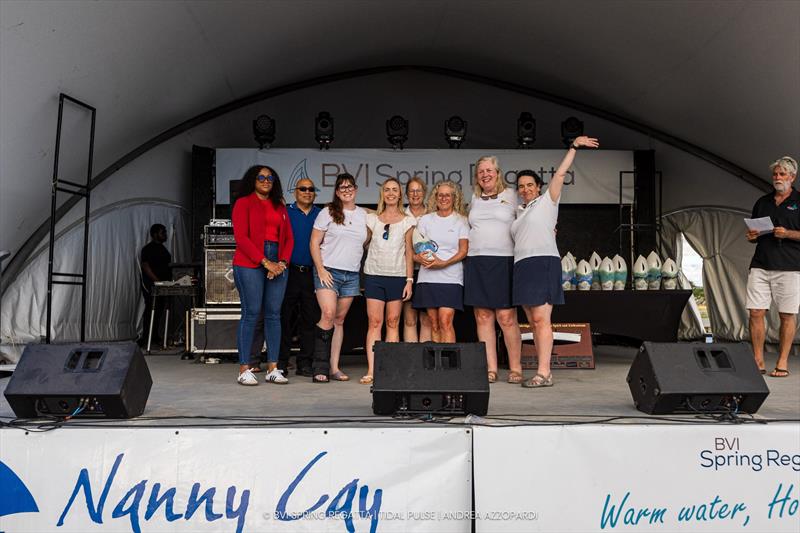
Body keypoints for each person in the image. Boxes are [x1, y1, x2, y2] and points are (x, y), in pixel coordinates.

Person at [512, 136, 599, 388]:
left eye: (530, 184)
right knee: (532, 320)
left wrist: (573, 147)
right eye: (521, 186)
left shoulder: (547, 201)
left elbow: (560, 174)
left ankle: (544, 373)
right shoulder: (519, 212)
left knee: (541, 319)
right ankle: (543, 370)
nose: (525, 188)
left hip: (543, 263)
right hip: (522, 266)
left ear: (538, 186)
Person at [232, 165, 294, 386]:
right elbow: (242, 238)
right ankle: (245, 368)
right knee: (252, 313)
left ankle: (273, 368)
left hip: (277, 260)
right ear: (253, 180)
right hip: (250, 262)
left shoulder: (280, 206)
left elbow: (288, 239)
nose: (266, 180)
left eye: (270, 178)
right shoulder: (244, 203)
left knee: (273, 314)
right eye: (261, 177)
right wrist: (266, 263)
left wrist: (282, 263)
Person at [466, 156, 523, 384]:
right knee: (482, 317)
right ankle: (490, 368)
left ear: (498, 173)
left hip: (503, 261)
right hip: (477, 261)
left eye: (489, 170)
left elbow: (528, 217)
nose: (485, 174)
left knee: (506, 317)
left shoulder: (511, 195)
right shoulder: (474, 198)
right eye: (481, 171)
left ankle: (516, 367)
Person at [745, 155, 800, 378]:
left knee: (787, 315)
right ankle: (758, 360)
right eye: (775, 174)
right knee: (756, 312)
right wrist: (751, 236)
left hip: (790, 266)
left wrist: (788, 234)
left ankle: (782, 361)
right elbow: (753, 236)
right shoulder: (762, 202)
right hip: (760, 264)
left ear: (792, 177)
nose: (777, 177)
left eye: (782, 174)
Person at [310, 173, 367, 383]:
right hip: (328, 271)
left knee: (339, 320)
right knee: (327, 313)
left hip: (351, 274)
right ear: (336, 192)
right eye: (342, 187)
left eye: (350, 186)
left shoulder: (364, 215)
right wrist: (321, 269)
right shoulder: (327, 212)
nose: (346, 190)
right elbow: (314, 242)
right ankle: (320, 367)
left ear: (356, 189)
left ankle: (334, 367)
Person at [363, 178, 416, 384]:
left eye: (395, 190)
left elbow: (409, 253)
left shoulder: (408, 220)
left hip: (398, 276)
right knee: (374, 323)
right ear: (382, 194)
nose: (391, 193)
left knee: (392, 322)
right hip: (374, 275)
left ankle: (390, 371)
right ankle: (372, 370)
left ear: (400, 194)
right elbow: (363, 243)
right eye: (387, 190)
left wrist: (409, 280)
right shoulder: (372, 220)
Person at [275, 177, 323, 377]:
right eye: (303, 189)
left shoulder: (321, 214)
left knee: (310, 320)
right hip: (288, 272)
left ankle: (305, 363)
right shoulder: (285, 212)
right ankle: (281, 363)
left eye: (311, 189)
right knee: (284, 319)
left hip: (312, 272)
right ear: (295, 191)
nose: (307, 192)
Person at [412, 180, 469, 342]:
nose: (444, 198)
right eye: (440, 195)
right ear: (435, 197)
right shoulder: (425, 220)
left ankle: (449, 364)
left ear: (454, 197)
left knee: (445, 320)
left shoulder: (461, 221)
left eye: (447, 195)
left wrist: (443, 263)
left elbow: (463, 251)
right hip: (428, 278)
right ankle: (438, 365)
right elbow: (415, 251)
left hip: (451, 278)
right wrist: (418, 258)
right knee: (434, 323)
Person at [403, 176, 432, 342]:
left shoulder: (433, 214)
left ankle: (425, 365)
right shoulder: (401, 215)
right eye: (411, 191)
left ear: (424, 193)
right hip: (407, 272)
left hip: (429, 271)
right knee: (409, 319)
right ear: (406, 194)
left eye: (418, 190)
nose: (415, 194)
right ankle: (412, 364)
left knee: (427, 319)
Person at [140, 223, 171, 347]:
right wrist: (156, 280)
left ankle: (155, 336)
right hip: (152, 285)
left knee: (159, 311)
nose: (165, 234)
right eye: (162, 232)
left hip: (163, 284)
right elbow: (145, 266)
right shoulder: (147, 249)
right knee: (150, 310)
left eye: (165, 232)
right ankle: (146, 337)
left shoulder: (164, 249)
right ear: (154, 234)